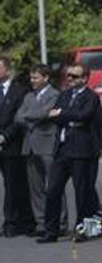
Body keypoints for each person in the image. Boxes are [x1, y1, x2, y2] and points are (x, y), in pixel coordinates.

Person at [37, 65, 102, 243]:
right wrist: (68, 117)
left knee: (81, 191)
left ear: (85, 78)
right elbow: (53, 116)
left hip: (81, 151)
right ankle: (51, 231)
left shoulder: (91, 97)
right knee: (52, 190)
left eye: (75, 76)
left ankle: (81, 229)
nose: (70, 79)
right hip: (63, 149)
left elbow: (84, 115)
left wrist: (64, 114)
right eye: (69, 76)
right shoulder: (64, 95)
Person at [14, 64, 61, 237]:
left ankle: (59, 221)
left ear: (46, 78)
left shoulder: (54, 94)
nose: (32, 81)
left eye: (36, 77)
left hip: (47, 145)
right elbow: (18, 117)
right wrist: (39, 114)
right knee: (36, 188)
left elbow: (48, 113)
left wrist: (31, 115)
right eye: (31, 78)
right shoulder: (28, 96)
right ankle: (41, 223)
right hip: (30, 147)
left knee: (54, 186)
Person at [0, 57, 35, 237]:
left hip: (11, 145)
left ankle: (13, 222)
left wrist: (3, 137)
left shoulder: (20, 91)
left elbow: (19, 119)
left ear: (7, 70)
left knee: (14, 185)